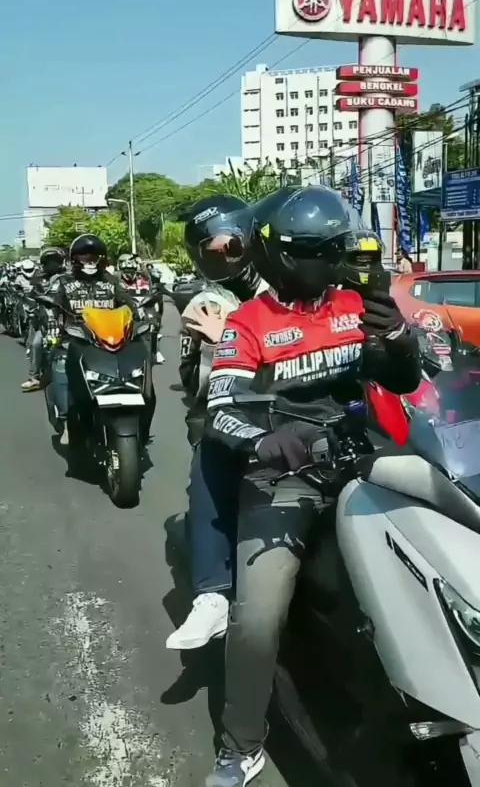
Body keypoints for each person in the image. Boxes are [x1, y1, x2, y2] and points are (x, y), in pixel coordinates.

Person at [202, 186, 422, 787]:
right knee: (258, 618)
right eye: (311, 250)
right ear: (278, 253)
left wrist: (398, 338)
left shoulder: (359, 305)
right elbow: (219, 407)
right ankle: (241, 744)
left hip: (366, 462)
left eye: (332, 249)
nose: (325, 261)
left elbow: (406, 381)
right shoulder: (248, 322)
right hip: (285, 478)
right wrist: (260, 442)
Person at [166, 194, 268, 651]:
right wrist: (218, 342)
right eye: (215, 250)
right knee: (209, 459)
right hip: (234, 412)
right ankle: (213, 594)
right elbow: (194, 381)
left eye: (233, 244)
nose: (228, 255)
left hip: (310, 407)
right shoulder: (207, 302)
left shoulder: (291, 285)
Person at [50, 234, 151, 445]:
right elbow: (51, 307)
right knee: (60, 365)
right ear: (75, 259)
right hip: (75, 340)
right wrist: (50, 323)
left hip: (109, 341)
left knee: (144, 380)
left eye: (94, 257)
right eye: (84, 256)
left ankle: (141, 428)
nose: (90, 261)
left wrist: (140, 314)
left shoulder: (111, 281)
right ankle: (67, 420)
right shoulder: (63, 283)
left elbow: (128, 303)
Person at [21, 247, 65, 393]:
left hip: (67, 320)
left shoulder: (68, 278)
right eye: (49, 261)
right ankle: (34, 377)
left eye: (55, 261)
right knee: (36, 344)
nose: (52, 264)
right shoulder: (38, 280)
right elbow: (30, 297)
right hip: (45, 321)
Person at [117, 254, 165, 364]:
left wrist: (152, 296)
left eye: (132, 271)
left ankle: (156, 351)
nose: (130, 274)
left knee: (153, 321)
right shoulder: (116, 281)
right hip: (125, 309)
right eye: (126, 270)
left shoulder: (143, 280)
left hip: (143, 308)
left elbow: (152, 292)